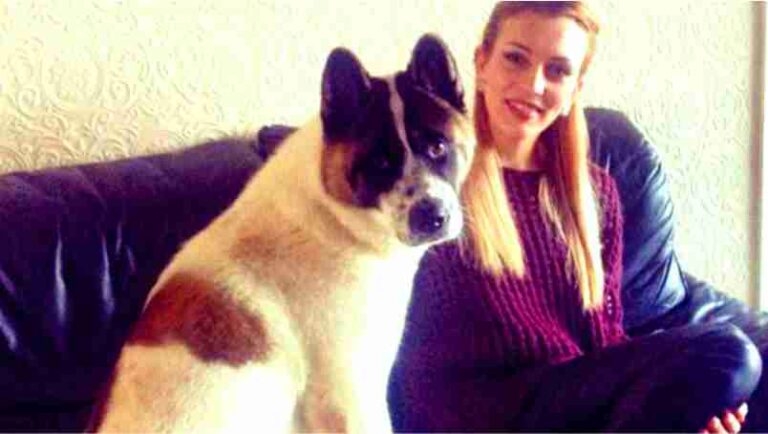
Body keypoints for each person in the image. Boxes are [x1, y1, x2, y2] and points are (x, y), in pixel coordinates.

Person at [387, 2, 762, 432]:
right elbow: (408, 363)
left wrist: (684, 408)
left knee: (730, 366)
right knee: (729, 352)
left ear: (574, 88)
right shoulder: (433, 186)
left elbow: (606, 343)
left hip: (577, 412)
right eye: (515, 58)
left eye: (558, 70)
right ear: (482, 62)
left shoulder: (595, 194)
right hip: (473, 416)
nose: (533, 84)